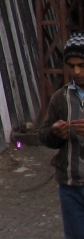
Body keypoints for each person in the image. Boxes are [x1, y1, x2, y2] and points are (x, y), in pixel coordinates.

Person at [42, 33, 84, 239]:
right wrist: (55, 133)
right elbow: (44, 135)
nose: (76, 71)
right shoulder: (60, 98)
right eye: (71, 65)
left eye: (82, 65)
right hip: (71, 186)